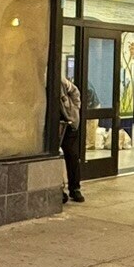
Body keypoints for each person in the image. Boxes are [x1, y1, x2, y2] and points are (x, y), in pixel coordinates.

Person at [58, 73, 85, 204]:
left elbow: (75, 92)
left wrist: (74, 110)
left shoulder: (61, 81)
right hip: (53, 124)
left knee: (72, 156)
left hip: (68, 123)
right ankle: (59, 189)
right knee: (54, 157)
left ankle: (75, 189)